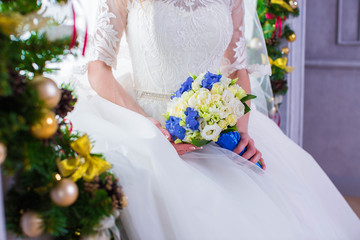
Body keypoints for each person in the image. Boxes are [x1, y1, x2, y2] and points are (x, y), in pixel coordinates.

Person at [68, 0, 360, 239]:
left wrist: (240, 131)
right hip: (143, 122)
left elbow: (236, 70)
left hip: (217, 126)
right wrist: (149, 127)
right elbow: (98, 69)